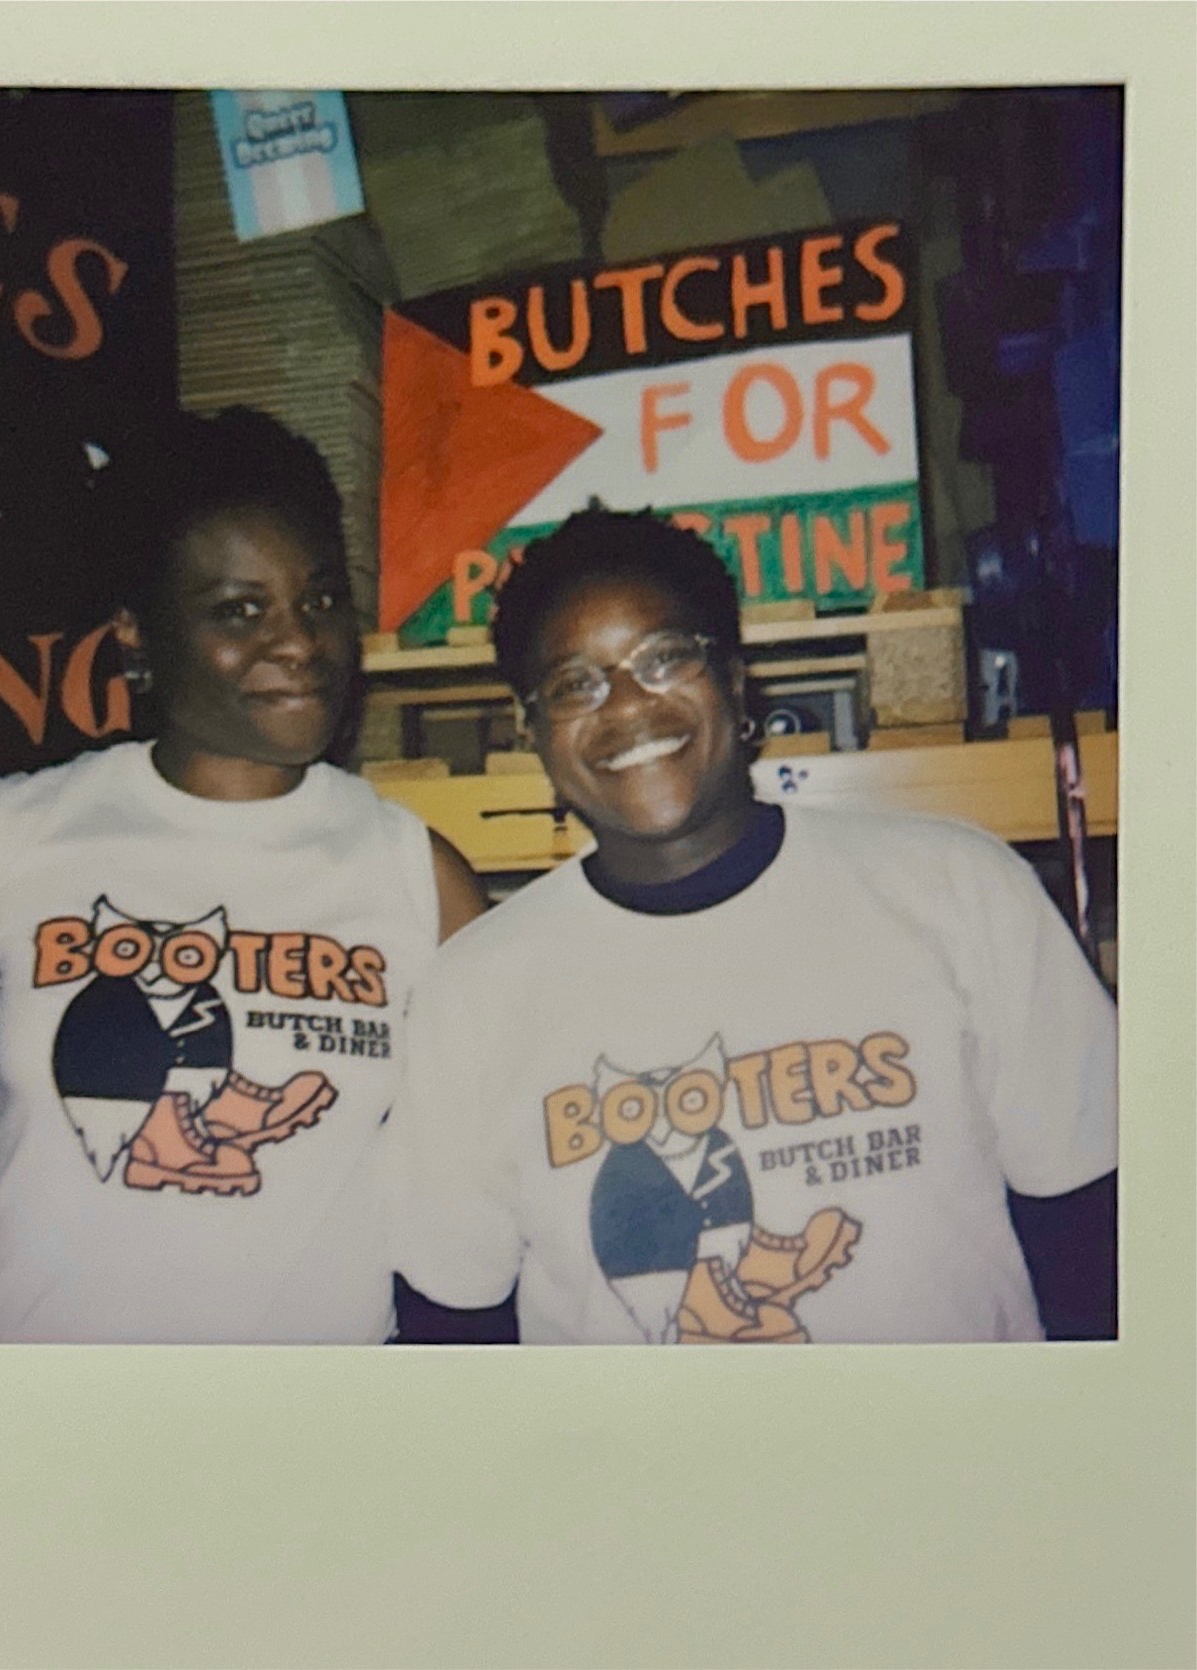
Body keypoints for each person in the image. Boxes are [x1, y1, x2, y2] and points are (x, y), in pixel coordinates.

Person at [388, 506, 1118, 1345]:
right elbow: (455, 1319)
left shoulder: (958, 889)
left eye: (665, 657)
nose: (627, 704)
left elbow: (1090, 1233)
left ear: (735, 684)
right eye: (574, 683)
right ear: (533, 734)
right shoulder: (474, 989)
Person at [0, 406, 485, 1344]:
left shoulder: (415, 871)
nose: (299, 643)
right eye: (238, 612)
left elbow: (489, 1180)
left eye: (322, 600)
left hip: (310, 1440)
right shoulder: (8, 841)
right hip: (47, 1440)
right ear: (136, 629)